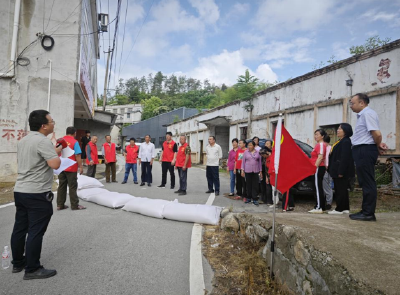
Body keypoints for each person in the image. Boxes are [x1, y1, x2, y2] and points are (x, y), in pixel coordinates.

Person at [11, 110, 62, 279]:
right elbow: (54, 164)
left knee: (20, 228)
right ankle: (32, 269)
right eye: (51, 121)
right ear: (43, 126)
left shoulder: (23, 140)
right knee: (35, 231)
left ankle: (18, 263)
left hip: (20, 190)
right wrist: (57, 153)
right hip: (37, 192)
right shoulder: (43, 141)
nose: (53, 123)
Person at [349, 93, 388, 221]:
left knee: (368, 181)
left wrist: (377, 145)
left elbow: (377, 134)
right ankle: (366, 210)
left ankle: (368, 213)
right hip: (362, 149)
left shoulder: (367, 114)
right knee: (364, 181)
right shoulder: (363, 115)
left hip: (364, 150)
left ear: (362, 103)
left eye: (352, 103)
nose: (351, 106)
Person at [328, 124, 355, 215]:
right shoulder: (341, 141)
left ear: (345, 131)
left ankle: (339, 208)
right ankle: (345, 208)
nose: (338, 130)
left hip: (341, 170)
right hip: (337, 169)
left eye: (340, 129)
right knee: (342, 189)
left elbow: (345, 158)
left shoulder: (346, 142)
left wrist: (341, 171)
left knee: (340, 190)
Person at [57, 126, 86, 211]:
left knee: (61, 186)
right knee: (72, 186)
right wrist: (80, 166)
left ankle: (60, 204)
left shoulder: (59, 141)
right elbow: (77, 155)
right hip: (71, 167)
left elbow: (56, 152)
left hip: (61, 166)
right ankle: (74, 205)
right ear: (74, 133)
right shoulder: (75, 142)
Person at [308, 129, 328, 214]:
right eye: (315, 134)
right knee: (316, 187)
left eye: (317, 134)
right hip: (317, 167)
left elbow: (320, 157)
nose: (315, 136)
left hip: (318, 167)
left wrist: (315, 167)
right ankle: (319, 206)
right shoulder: (317, 145)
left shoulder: (321, 145)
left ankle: (319, 207)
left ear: (322, 136)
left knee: (317, 187)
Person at [241, 141, 263, 206]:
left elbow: (260, 162)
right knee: (248, 184)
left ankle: (255, 198)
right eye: (248, 145)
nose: (249, 146)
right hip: (247, 170)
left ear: (253, 146)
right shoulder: (246, 152)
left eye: (250, 145)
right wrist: (242, 170)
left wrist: (260, 171)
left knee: (255, 185)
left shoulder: (258, 152)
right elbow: (243, 161)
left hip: (256, 170)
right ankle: (248, 198)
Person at [323, 135, 333, 210]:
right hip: (329, 169)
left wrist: (326, 166)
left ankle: (328, 203)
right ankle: (328, 202)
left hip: (326, 169)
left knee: (327, 186)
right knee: (328, 186)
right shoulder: (331, 148)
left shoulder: (327, 149)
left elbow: (326, 159)